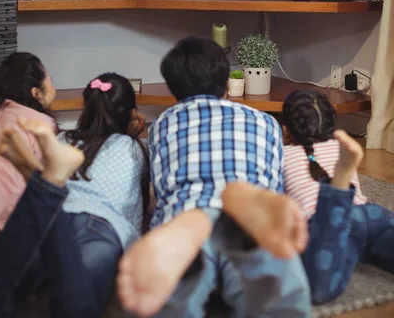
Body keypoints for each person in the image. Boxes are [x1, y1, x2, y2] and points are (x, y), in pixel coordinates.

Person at [117, 36, 311, 318]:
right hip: (248, 216)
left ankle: (190, 226)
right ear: (226, 82)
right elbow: (274, 179)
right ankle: (243, 204)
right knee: (276, 297)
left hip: (186, 210)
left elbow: (160, 188)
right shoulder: (266, 121)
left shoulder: (163, 124)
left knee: (173, 300)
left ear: (174, 89)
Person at [0, 72, 149, 318]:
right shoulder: (134, 148)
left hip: (59, 216)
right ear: (132, 114)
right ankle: (41, 183)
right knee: (78, 302)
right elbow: (140, 206)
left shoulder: (64, 138)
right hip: (103, 228)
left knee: (13, 286)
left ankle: (41, 182)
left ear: (86, 107)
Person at [281, 90, 394, 304]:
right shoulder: (341, 147)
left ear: (285, 131)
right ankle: (339, 188)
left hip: (327, 223)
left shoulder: (281, 154)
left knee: (319, 288)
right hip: (367, 213)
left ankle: (336, 192)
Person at [0, 52, 56, 231]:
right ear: (36, 93)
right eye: (50, 79)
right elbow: (46, 184)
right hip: (7, 219)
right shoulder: (39, 124)